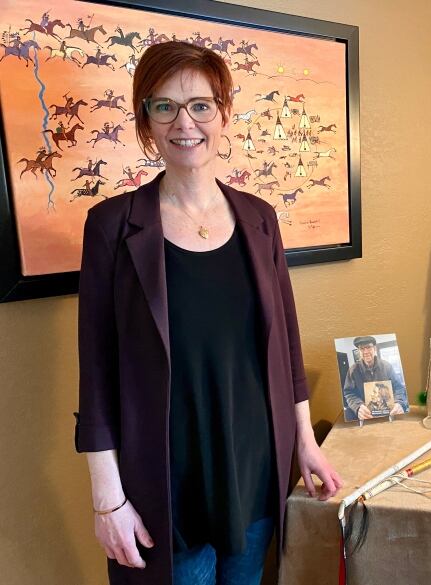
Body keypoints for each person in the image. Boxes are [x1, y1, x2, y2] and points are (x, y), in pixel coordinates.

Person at [75, 41, 341, 585]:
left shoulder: (259, 219)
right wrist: (107, 498)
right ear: (146, 120)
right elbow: (96, 371)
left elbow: (286, 343)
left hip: (253, 474)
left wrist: (306, 444)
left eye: (200, 104)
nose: (184, 122)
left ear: (222, 113)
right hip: (162, 488)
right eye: (164, 105)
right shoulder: (111, 226)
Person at [342, 336, 409, 420]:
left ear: (374, 348)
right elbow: (349, 393)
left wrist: (399, 403)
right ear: (359, 351)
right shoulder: (353, 370)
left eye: (368, 347)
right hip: (366, 416)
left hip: (389, 414)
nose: (365, 352)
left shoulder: (387, 366)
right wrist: (358, 406)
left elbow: (399, 388)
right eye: (362, 348)